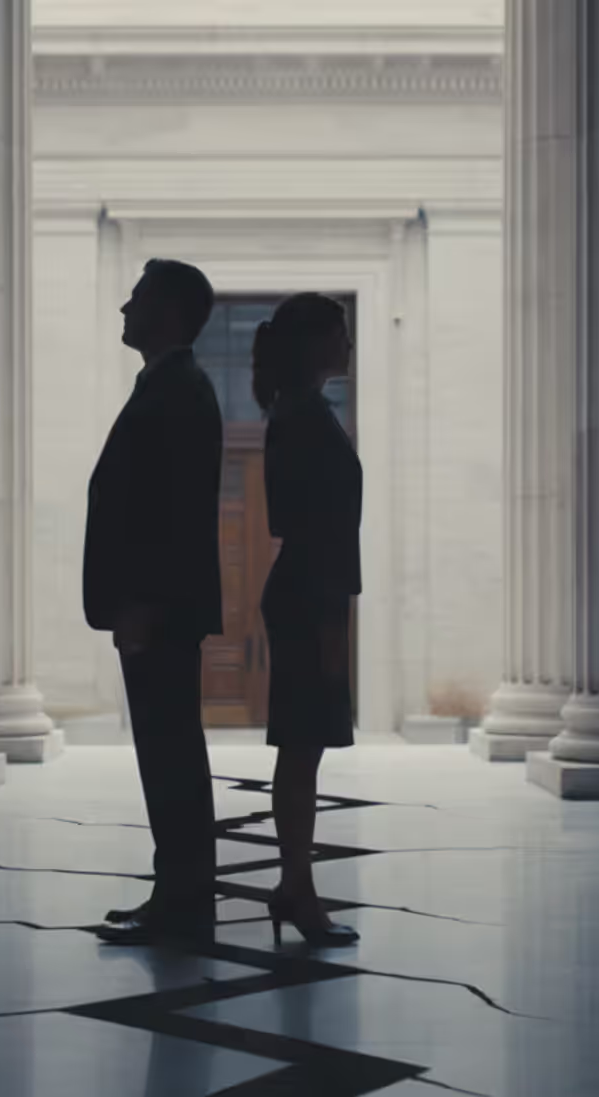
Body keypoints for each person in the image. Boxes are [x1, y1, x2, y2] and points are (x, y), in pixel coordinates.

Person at [83, 258, 224, 946]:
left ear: (166, 311)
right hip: (156, 605)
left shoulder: (181, 390)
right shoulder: (170, 386)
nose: (122, 308)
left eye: (135, 297)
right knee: (167, 751)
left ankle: (184, 898)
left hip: (159, 608)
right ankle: (179, 890)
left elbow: (172, 515)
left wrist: (142, 603)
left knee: (170, 753)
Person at [252, 293, 362, 948]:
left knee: (304, 746)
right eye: (340, 334)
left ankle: (298, 884)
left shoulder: (299, 411)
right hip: (310, 592)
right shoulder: (304, 417)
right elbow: (312, 525)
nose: (349, 345)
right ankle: (297, 887)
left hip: (309, 588)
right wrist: (331, 622)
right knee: (302, 747)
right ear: (316, 343)